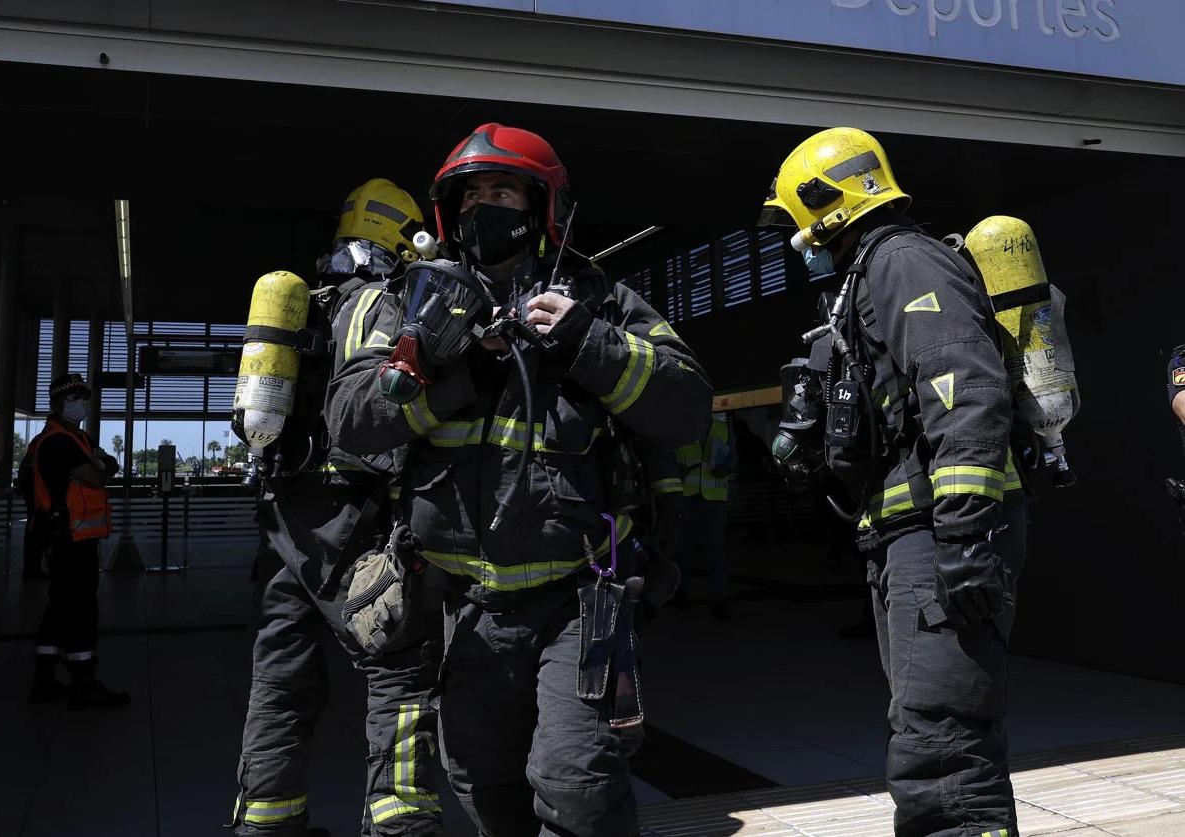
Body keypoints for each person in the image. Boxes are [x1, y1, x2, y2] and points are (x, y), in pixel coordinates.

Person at [326, 123, 712, 837]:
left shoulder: (603, 300)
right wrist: (441, 371)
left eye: (501, 191)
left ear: (543, 209)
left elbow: (688, 404)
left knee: (577, 781)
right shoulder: (408, 300)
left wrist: (584, 341)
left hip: (579, 599)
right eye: (469, 196)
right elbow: (348, 419)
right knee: (480, 780)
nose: (483, 208)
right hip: (463, 608)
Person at [760, 127, 1026, 837]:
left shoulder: (904, 260)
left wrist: (965, 536)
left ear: (827, 206)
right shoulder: (866, 277)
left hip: (942, 535)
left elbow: (963, 386)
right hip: (909, 536)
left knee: (942, 751)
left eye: (797, 226)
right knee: (928, 728)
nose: (798, 243)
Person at [230, 179, 443, 837]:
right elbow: (377, 418)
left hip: (283, 525)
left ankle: (266, 821)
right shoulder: (381, 305)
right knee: (400, 666)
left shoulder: (304, 310)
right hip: (351, 521)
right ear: (399, 237)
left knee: (281, 678)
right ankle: (402, 822)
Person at [26, 372, 127, 708]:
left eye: (84, 398)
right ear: (57, 404)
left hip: (66, 535)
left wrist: (100, 462)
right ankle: (84, 682)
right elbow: (96, 478)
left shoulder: (71, 439)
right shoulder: (60, 442)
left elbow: (98, 466)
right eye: (74, 399)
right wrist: (103, 465)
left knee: (59, 606)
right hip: (70, 536)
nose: (82, 404)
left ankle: (44, 679)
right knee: (82, 609)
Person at [676, 411, 736, 618]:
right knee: (685, 549)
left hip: (714, 497)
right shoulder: (681, 430)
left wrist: (725, 468)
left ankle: (719, 601)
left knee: (716, 551)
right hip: (688, 496)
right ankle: (681, 592)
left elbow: (733, 461)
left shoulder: (723, 428)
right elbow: (669, 461)